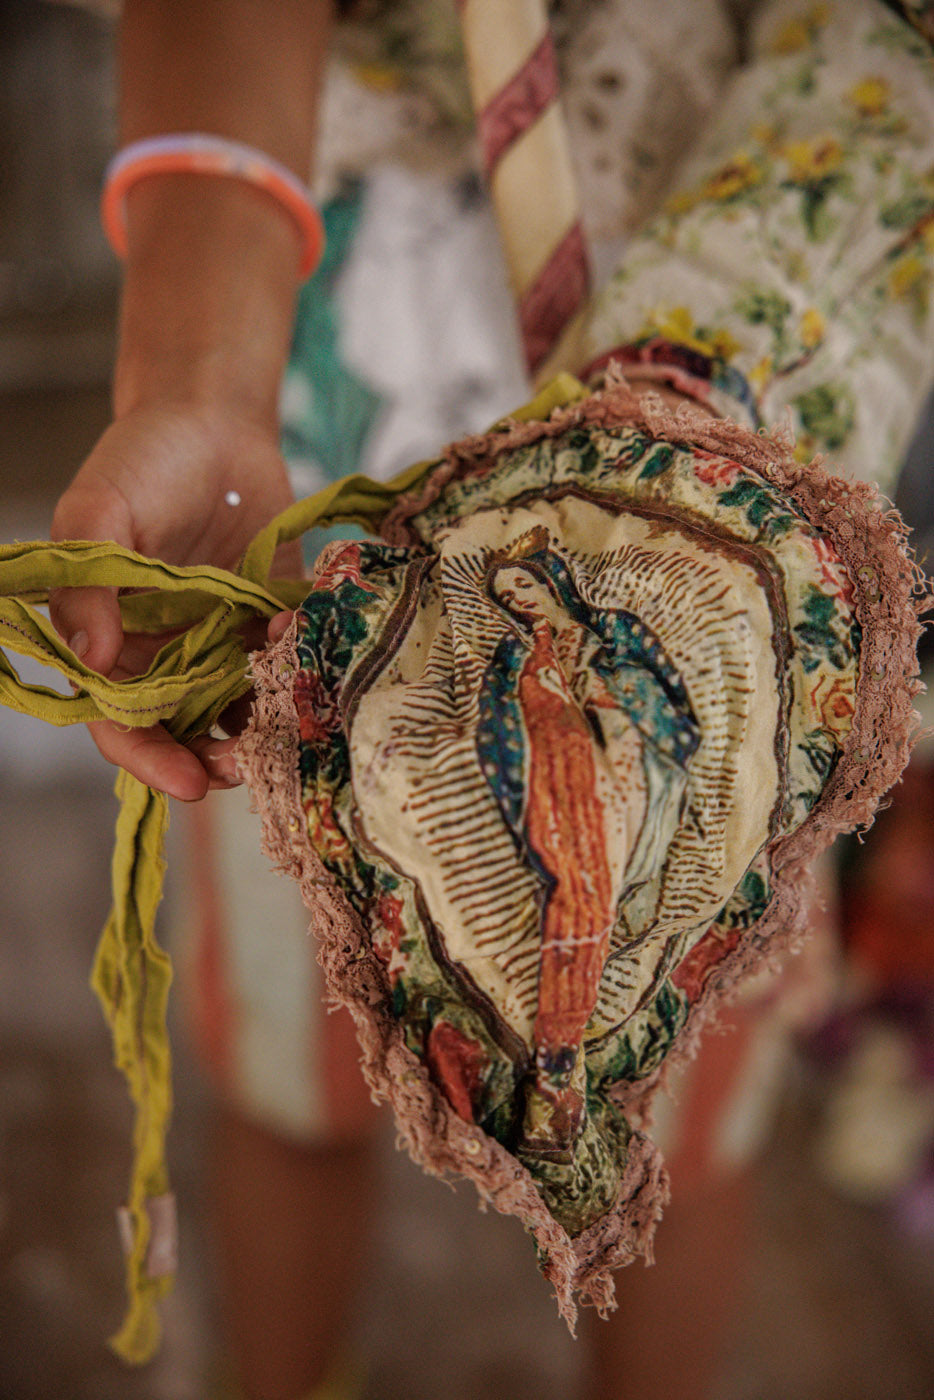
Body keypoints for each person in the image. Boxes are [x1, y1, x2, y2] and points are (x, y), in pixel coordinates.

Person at [47, 3, 934, 1399]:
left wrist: (677, 467)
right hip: (311, 457)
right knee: (290, 1066)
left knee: (675, 1121)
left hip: (724, 524)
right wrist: (199, 379)